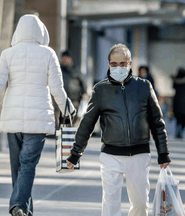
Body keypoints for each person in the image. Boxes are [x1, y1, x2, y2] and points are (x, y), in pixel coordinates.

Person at [0, 14, 75, 216]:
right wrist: (68, 109)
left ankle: (20, 207)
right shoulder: (48, 54)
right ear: (41, 32)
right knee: (27, 166)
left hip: (13, 120)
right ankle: (21, 207)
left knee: (18, 168)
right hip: (38, 121)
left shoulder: (8, 54)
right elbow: (57, 88)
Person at [66, 43, 171, 216]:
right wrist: (75, 153)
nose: (118, 67)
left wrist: (163, 153)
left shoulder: (144, 86)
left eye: (123, 64)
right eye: (114, 64)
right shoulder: (100, 89)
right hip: (111, 156)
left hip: (139, 154)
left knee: (140, 205)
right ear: (109, 64)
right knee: (111, 204)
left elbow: (157, 122)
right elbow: (87, 123)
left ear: (130, 64)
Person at [60, 51, 87, 125]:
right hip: (61, 98)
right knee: (62, 119)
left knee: (73, 118)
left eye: (66, 58)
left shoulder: (76, 70)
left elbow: (83, 82)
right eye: (63, 58)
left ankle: (70, 133)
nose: (65, 60)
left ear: (70, 59)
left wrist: (84, 93)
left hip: (74, 99)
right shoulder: (59, 70)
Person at [172, 68, 185, 138]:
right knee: (184, 118)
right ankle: (181, 130)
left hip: (177, 99)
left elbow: (173, 87)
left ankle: (178, 129)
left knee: (178, 118)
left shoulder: (176, 79)